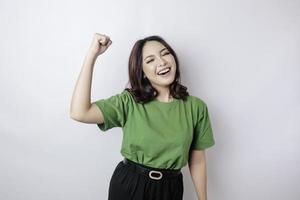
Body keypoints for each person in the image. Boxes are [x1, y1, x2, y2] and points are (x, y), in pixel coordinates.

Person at [70, 33, 216, 200]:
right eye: (150, 60)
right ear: (142, 72)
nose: (162, 62)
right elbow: (79, 112)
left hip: (171, 189)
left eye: (165, 53)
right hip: (130, 185)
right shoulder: (128, 102)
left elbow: (197, 161)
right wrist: (92, 55)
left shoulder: (196, 107)